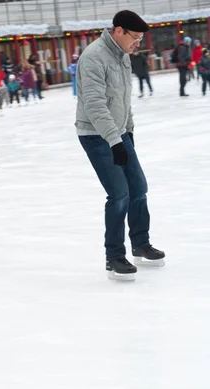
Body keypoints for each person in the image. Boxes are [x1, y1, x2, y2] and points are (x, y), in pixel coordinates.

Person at [76, 10, 165, 281]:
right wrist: (115, 141)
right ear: (118, 31)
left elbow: (123, 98)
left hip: (119, 132)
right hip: (96, 135)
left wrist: (128, 131)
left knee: (139, 188)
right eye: (135, 38)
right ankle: (114, 256)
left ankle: (140, 243)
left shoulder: (122, 56)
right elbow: (95, 105)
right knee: (119, 194)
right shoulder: (93, 57)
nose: (137, 43)